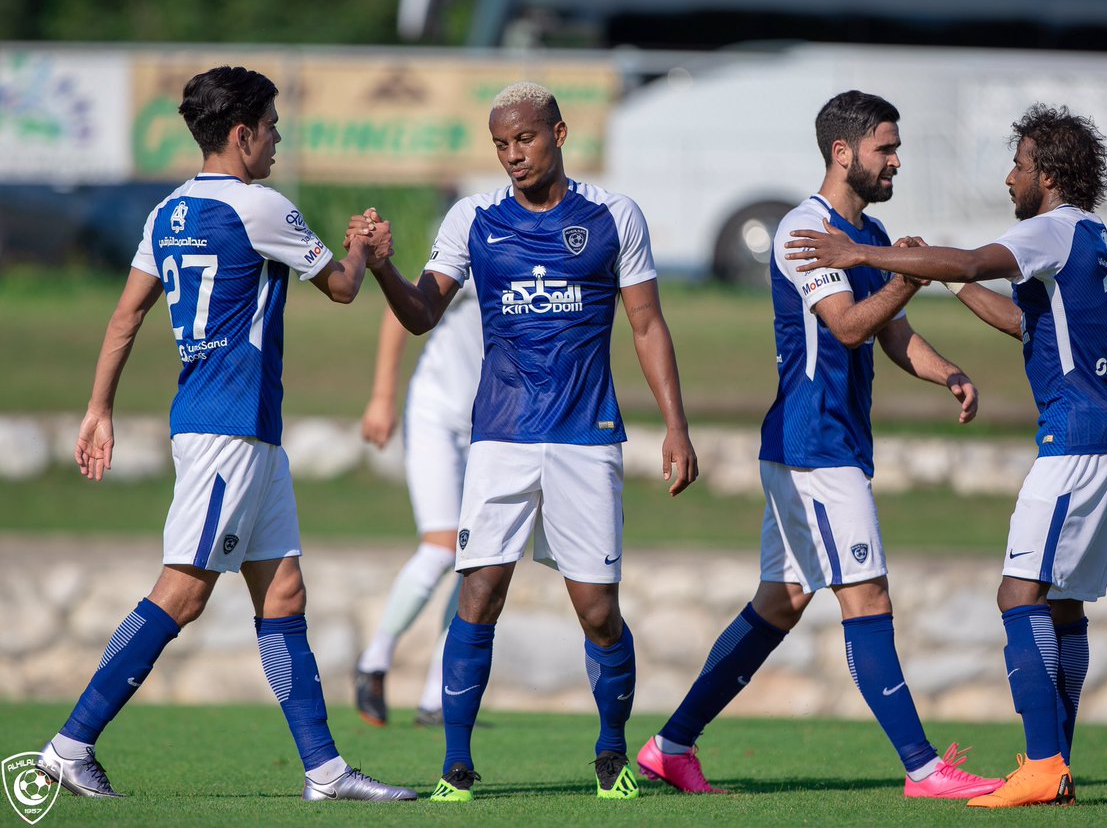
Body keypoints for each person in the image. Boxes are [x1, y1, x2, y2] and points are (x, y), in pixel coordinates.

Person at [38, 65, 418, 803]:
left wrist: (98, 407)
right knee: (181, 592)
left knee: (283, 592)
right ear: (241, 135)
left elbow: (125, 317)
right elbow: (341, 288)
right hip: (229, 432)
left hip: (239, 430)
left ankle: (326, 771)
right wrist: (366, 247)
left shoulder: (166, 212)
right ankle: (68, 745)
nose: (278, 138)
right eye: (272, 125)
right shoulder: (259, 206)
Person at [636, 90, 1002, 799]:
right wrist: (904, 275)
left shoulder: (867, 230)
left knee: (781, 599)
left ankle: (669, 746)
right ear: (844, 152)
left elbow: (892, 333)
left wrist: (945, 370)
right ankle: (925, 768)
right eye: (885, 148)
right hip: (815, 447)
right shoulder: (804, 231)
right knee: (866, 598)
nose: (896, 160)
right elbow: (848, 325)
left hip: (821, 444)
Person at [787, 103, 1107, 808]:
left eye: (1019, 164)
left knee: (1019, 592)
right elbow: (1024, 321)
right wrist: (948, 283)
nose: (1011, 177)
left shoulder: (1048, 227)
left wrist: (863, 255)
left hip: (1076, 437)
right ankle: (1056, 765)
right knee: (1063, 605)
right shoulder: (1092, 236)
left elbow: (976, 256)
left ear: (1049, 173)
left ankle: (1043, 764)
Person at [357, 81, 698, 802]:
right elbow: (421, 314)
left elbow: (646, 325)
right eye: (501, 144)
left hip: (586, 436)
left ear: (560, 133)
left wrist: (676, 425)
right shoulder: (472, 219)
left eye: (526, 139)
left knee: (598, 609)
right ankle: (455, 764)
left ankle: (611, 753)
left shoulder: (612, 216)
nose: (513, 154)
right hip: (501, 436)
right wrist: (385, 266)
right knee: (478, 589)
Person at [354, 278, 482, 728]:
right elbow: (401, 306)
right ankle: (374, 660)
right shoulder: (479, 229)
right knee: (443, 547)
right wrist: (383, 398)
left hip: (490, 423)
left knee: (478, 563)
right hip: (436, 415)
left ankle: (436, 698)